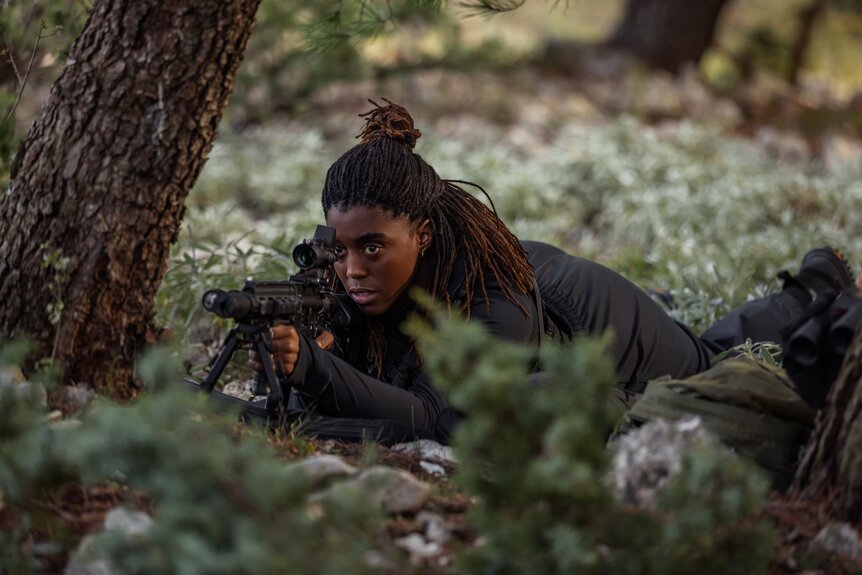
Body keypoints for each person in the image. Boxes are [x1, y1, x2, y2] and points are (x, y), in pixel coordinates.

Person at [249, 100, 856, 443]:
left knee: (713, 360)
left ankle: (817, 287)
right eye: (340, 247)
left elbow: (442, 420)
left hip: (591, 320)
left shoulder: (493, 302)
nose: (351, 269)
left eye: (373, 249)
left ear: (423, 234)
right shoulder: (355, 269)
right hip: (542, 302)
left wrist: (313, 365)